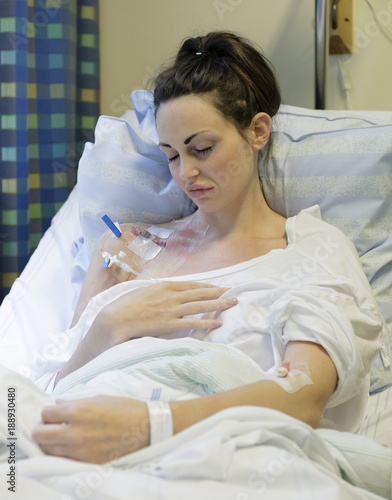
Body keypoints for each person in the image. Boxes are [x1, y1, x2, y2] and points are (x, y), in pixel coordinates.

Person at [31, 31, 384, 464]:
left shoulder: (311, 250)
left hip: (217, 460)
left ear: (257, 131)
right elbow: (45, 397)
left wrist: (148, 426)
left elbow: (303, 397)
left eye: (202, 148)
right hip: (76, 455)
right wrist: (108, 326)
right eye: (172, 155)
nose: (186, 173)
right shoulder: (122, 249)